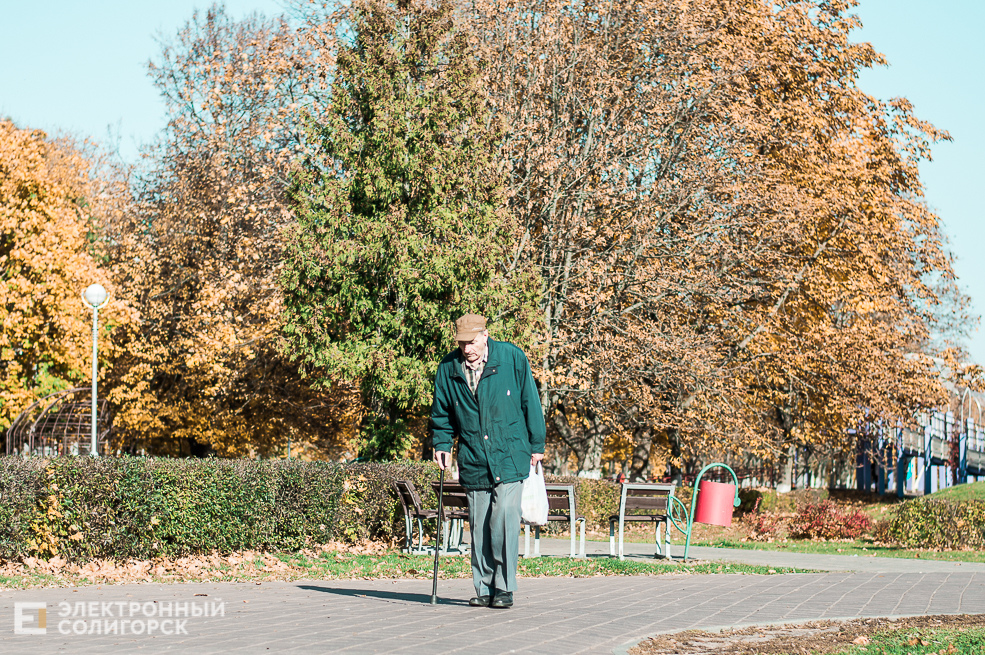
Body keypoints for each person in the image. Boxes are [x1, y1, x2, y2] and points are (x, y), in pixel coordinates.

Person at [429, 313, 545, 609]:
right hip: (473, 458)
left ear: (485, 335)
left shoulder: (511, 357)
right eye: (462, 343)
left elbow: (530, 401)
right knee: (479, 525)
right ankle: (483, 587)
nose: (467, 348)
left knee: (504, 516)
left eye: (471, 342)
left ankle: (503, 587)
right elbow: (441, 413)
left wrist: (537, 443)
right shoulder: (448, 368)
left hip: (509, 453)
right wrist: (442, 443)